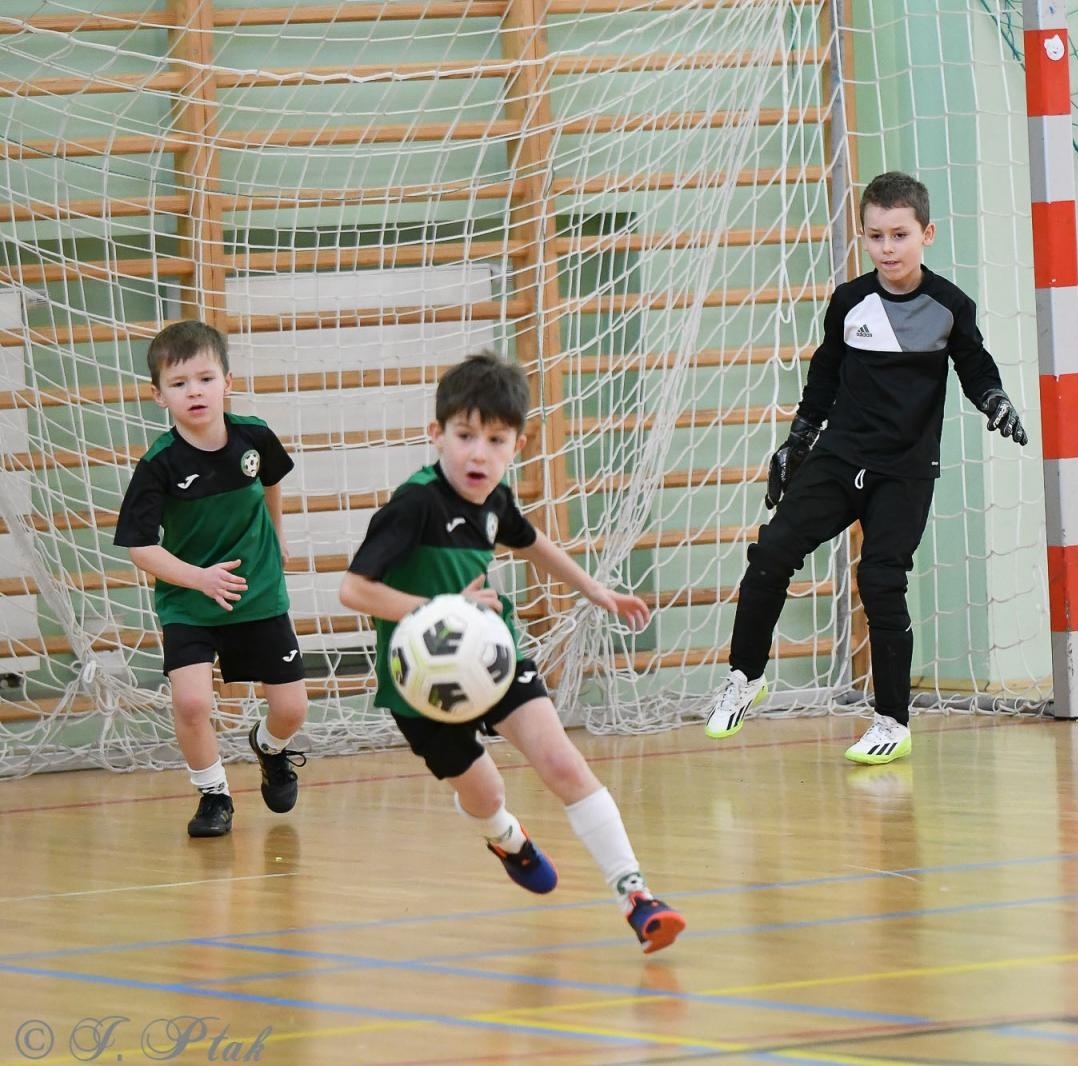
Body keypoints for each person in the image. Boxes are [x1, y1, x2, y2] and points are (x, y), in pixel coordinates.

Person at [338, 351, 685, 954]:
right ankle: (505, 836)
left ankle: (637, 896)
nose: (479, 453)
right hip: (421, 688)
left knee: (563, 764)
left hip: (495, 659)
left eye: (495, 440)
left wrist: (597, 591)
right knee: (486, 796)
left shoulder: (495, 503)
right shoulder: (414, 504)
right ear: (436, 435)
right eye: (465, 436)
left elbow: (535, 543)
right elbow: (354, 590)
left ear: (516, 445)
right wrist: (443, 611)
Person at [703, 170, 1029, 764]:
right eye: (876, 236)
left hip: (904, 469)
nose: (888, 248)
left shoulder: (950, 306)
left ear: (925, 233)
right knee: (773, 550)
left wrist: (995, 401)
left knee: (881, 580)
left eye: (899, 235)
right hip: (839, 456)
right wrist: (796, 443)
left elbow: (975, 369)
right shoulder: (851, 301)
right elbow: (824, 376)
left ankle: (892, 720)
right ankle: (745, 676)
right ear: (864, 237)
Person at [114, 320, 309, 839]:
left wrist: (277, 533)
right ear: (159, 396)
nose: (194, 391)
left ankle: (269, 749)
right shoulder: (158, 464)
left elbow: (270, 484)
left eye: (204, 378)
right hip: (190, 599)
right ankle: (213, 794)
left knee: (291, 709)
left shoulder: (254, 436)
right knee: (193, 702)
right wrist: (198, 579)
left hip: (258, 592)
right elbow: (140, 546)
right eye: (179, 384)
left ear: (228, 380)